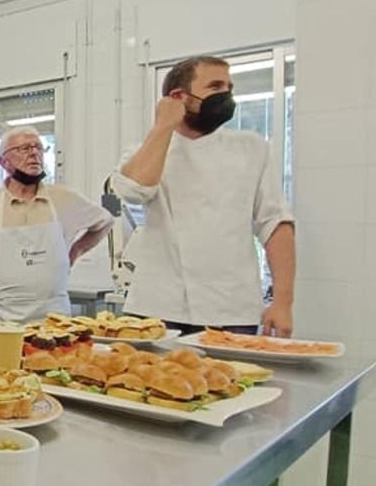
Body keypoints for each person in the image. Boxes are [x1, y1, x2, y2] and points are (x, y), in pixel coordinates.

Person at [110, 55, 295, 335]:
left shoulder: (252, 148)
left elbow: (275, 225)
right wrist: (163, 126)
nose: (226, 96)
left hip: (230, 307)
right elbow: (134, 190)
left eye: (229, 88)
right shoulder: (149, 149)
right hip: (157, 305)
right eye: (215, 87)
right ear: (178, 96)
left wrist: (283, 302)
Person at [0, 127, 113, 339]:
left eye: (39, 147)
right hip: (1, 321)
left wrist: (75, 250)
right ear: (4, 162)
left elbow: (105, 222)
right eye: (24, 148)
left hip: (55, 321)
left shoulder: (64, 198)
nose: (34, 153)